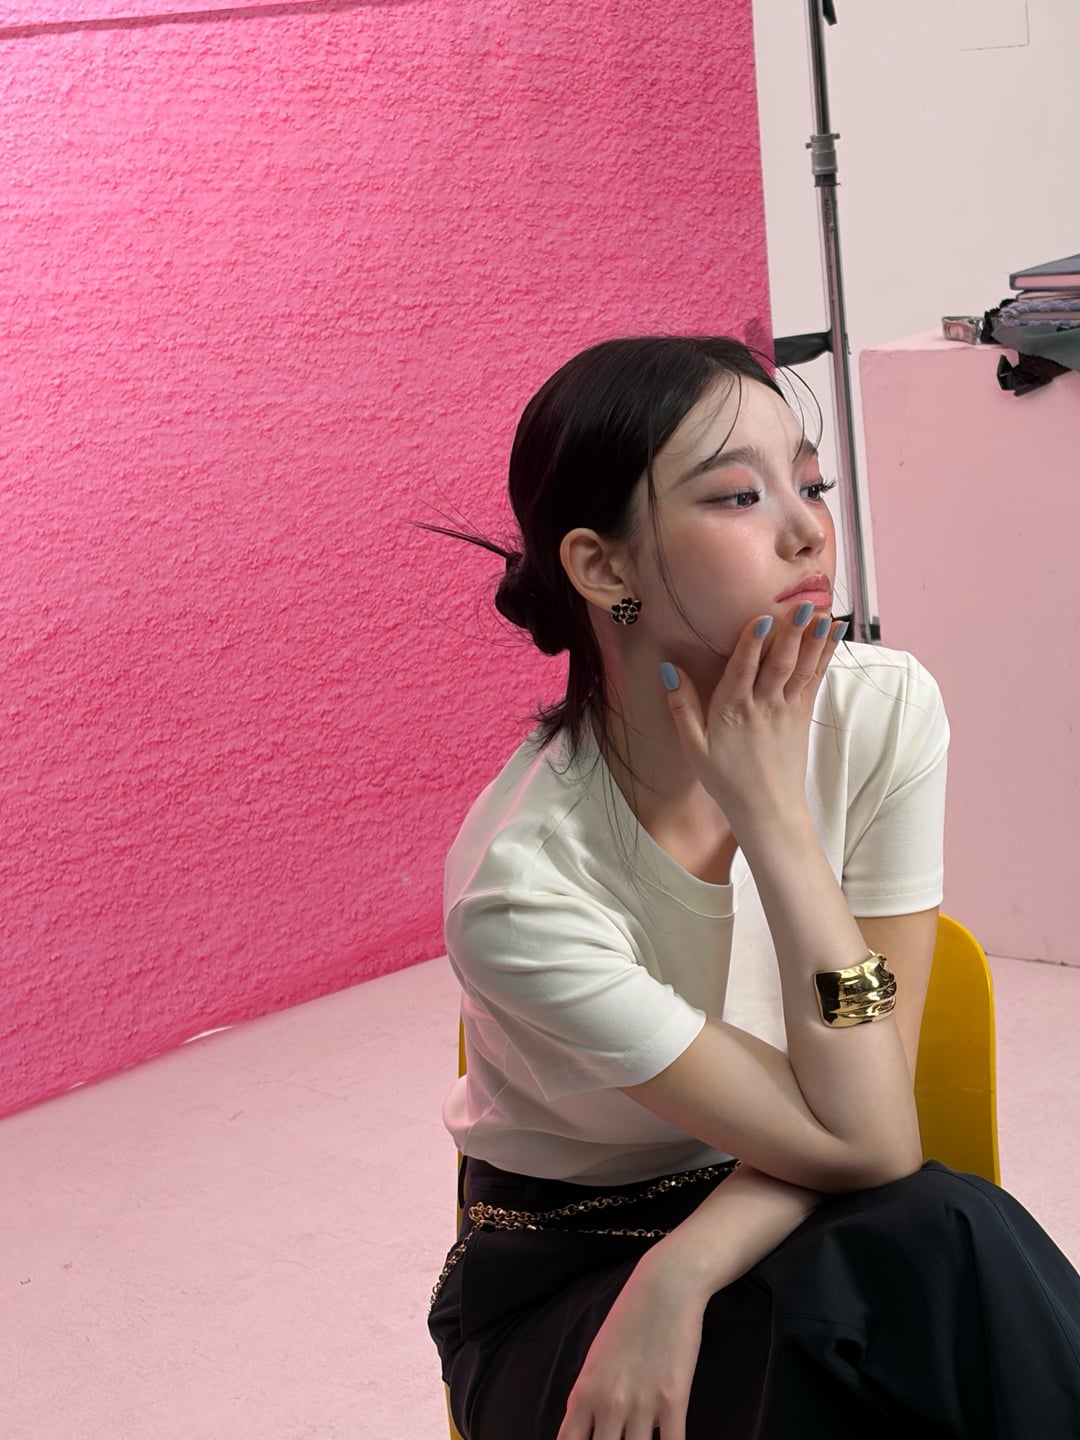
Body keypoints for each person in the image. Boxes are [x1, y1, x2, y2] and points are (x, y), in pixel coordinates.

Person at [426, 335, 1080, 1439]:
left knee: (934, 1234)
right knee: (921, 1268)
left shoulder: (881, 712)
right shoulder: (523, 888)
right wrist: (654, 1276)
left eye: (810, 483)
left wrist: (684, 1269)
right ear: (603, 569)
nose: (808, 529)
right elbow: (869, 1142)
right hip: (576, 1272)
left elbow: (874, 1124)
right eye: (739, 495)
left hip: (796, 1212)